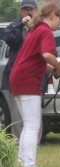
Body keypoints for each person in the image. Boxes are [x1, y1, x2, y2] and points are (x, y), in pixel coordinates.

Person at [9, 2, 60, 167]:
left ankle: (22, 165)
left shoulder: (35, 30)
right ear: (54, 16)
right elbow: (47, 55)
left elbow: (40, 60)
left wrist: (53, 68)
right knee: (33, 125)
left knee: (28, 125)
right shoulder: (46, 31)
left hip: (17, 78)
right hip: (28, 81)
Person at [1, 0, 42, 142]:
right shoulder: (14, 26)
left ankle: (34, 143)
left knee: (35, 116)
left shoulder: (40, 28)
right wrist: (21, 24)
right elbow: (9, 39)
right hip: (15, 77)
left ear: (36, 11)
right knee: (16, 115)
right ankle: (18, 143)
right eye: (25, 9)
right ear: (21, 12)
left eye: (31, 9)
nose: (28, 12)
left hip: (34, 77)